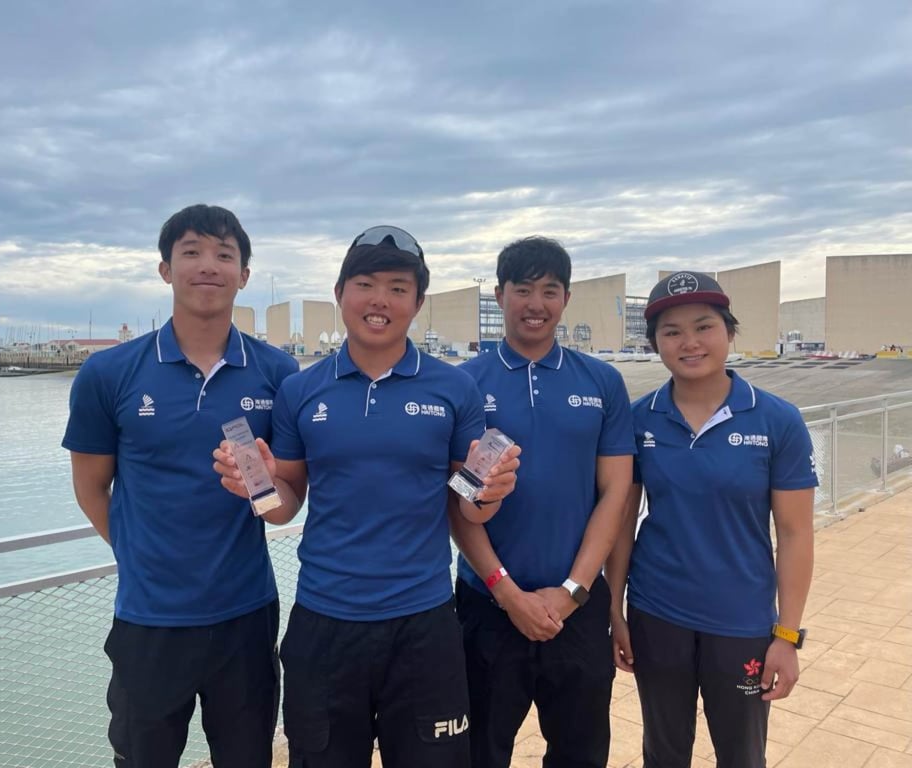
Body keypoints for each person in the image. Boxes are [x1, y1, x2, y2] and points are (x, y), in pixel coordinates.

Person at [213, 225, 521, 768]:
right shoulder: (301, 390)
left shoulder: (454, 389)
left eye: (398, 288)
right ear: (340, 295)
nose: (380, 300)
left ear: (418, 303)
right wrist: (255, 486)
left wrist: (492, 493)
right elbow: (286, 502)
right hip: (324, 622)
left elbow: (467, 504)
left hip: (425, 622)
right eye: (365, 284)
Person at [62, 204, 298, 768]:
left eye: (224, 254)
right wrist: (138, 553)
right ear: (166, 269)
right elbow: (92, 488)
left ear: (244, 275)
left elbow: (286, 506)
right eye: (191, 251)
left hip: (246, 613)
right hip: (148, 619)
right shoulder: (109, 373)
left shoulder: (278, 374)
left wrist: (257, 490)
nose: (207, 266)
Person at [606, 272, 817, 768]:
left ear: (729, 333)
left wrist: (787, 636)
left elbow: (794, 533)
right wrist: (615, 611)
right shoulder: (639, 420)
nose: (690, 342)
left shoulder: (776, 420)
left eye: (704, 326)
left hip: (742, 621)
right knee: (663, 750)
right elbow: (620, 521)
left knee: (742, 755)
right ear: (655, 342)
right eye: (672, 331)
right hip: (657, 614)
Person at [449, 236, 635, 768]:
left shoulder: (602, 382)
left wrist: (574, 590)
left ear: (566, 299)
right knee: (479, 752)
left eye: (549, 291)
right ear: (501, 296)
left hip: (576, 609)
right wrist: (506, 592)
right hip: (487, 607)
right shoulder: (464, 384)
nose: (536, 303)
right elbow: (457, 500)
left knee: (580, 754)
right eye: (523, 289)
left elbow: (615, 493)